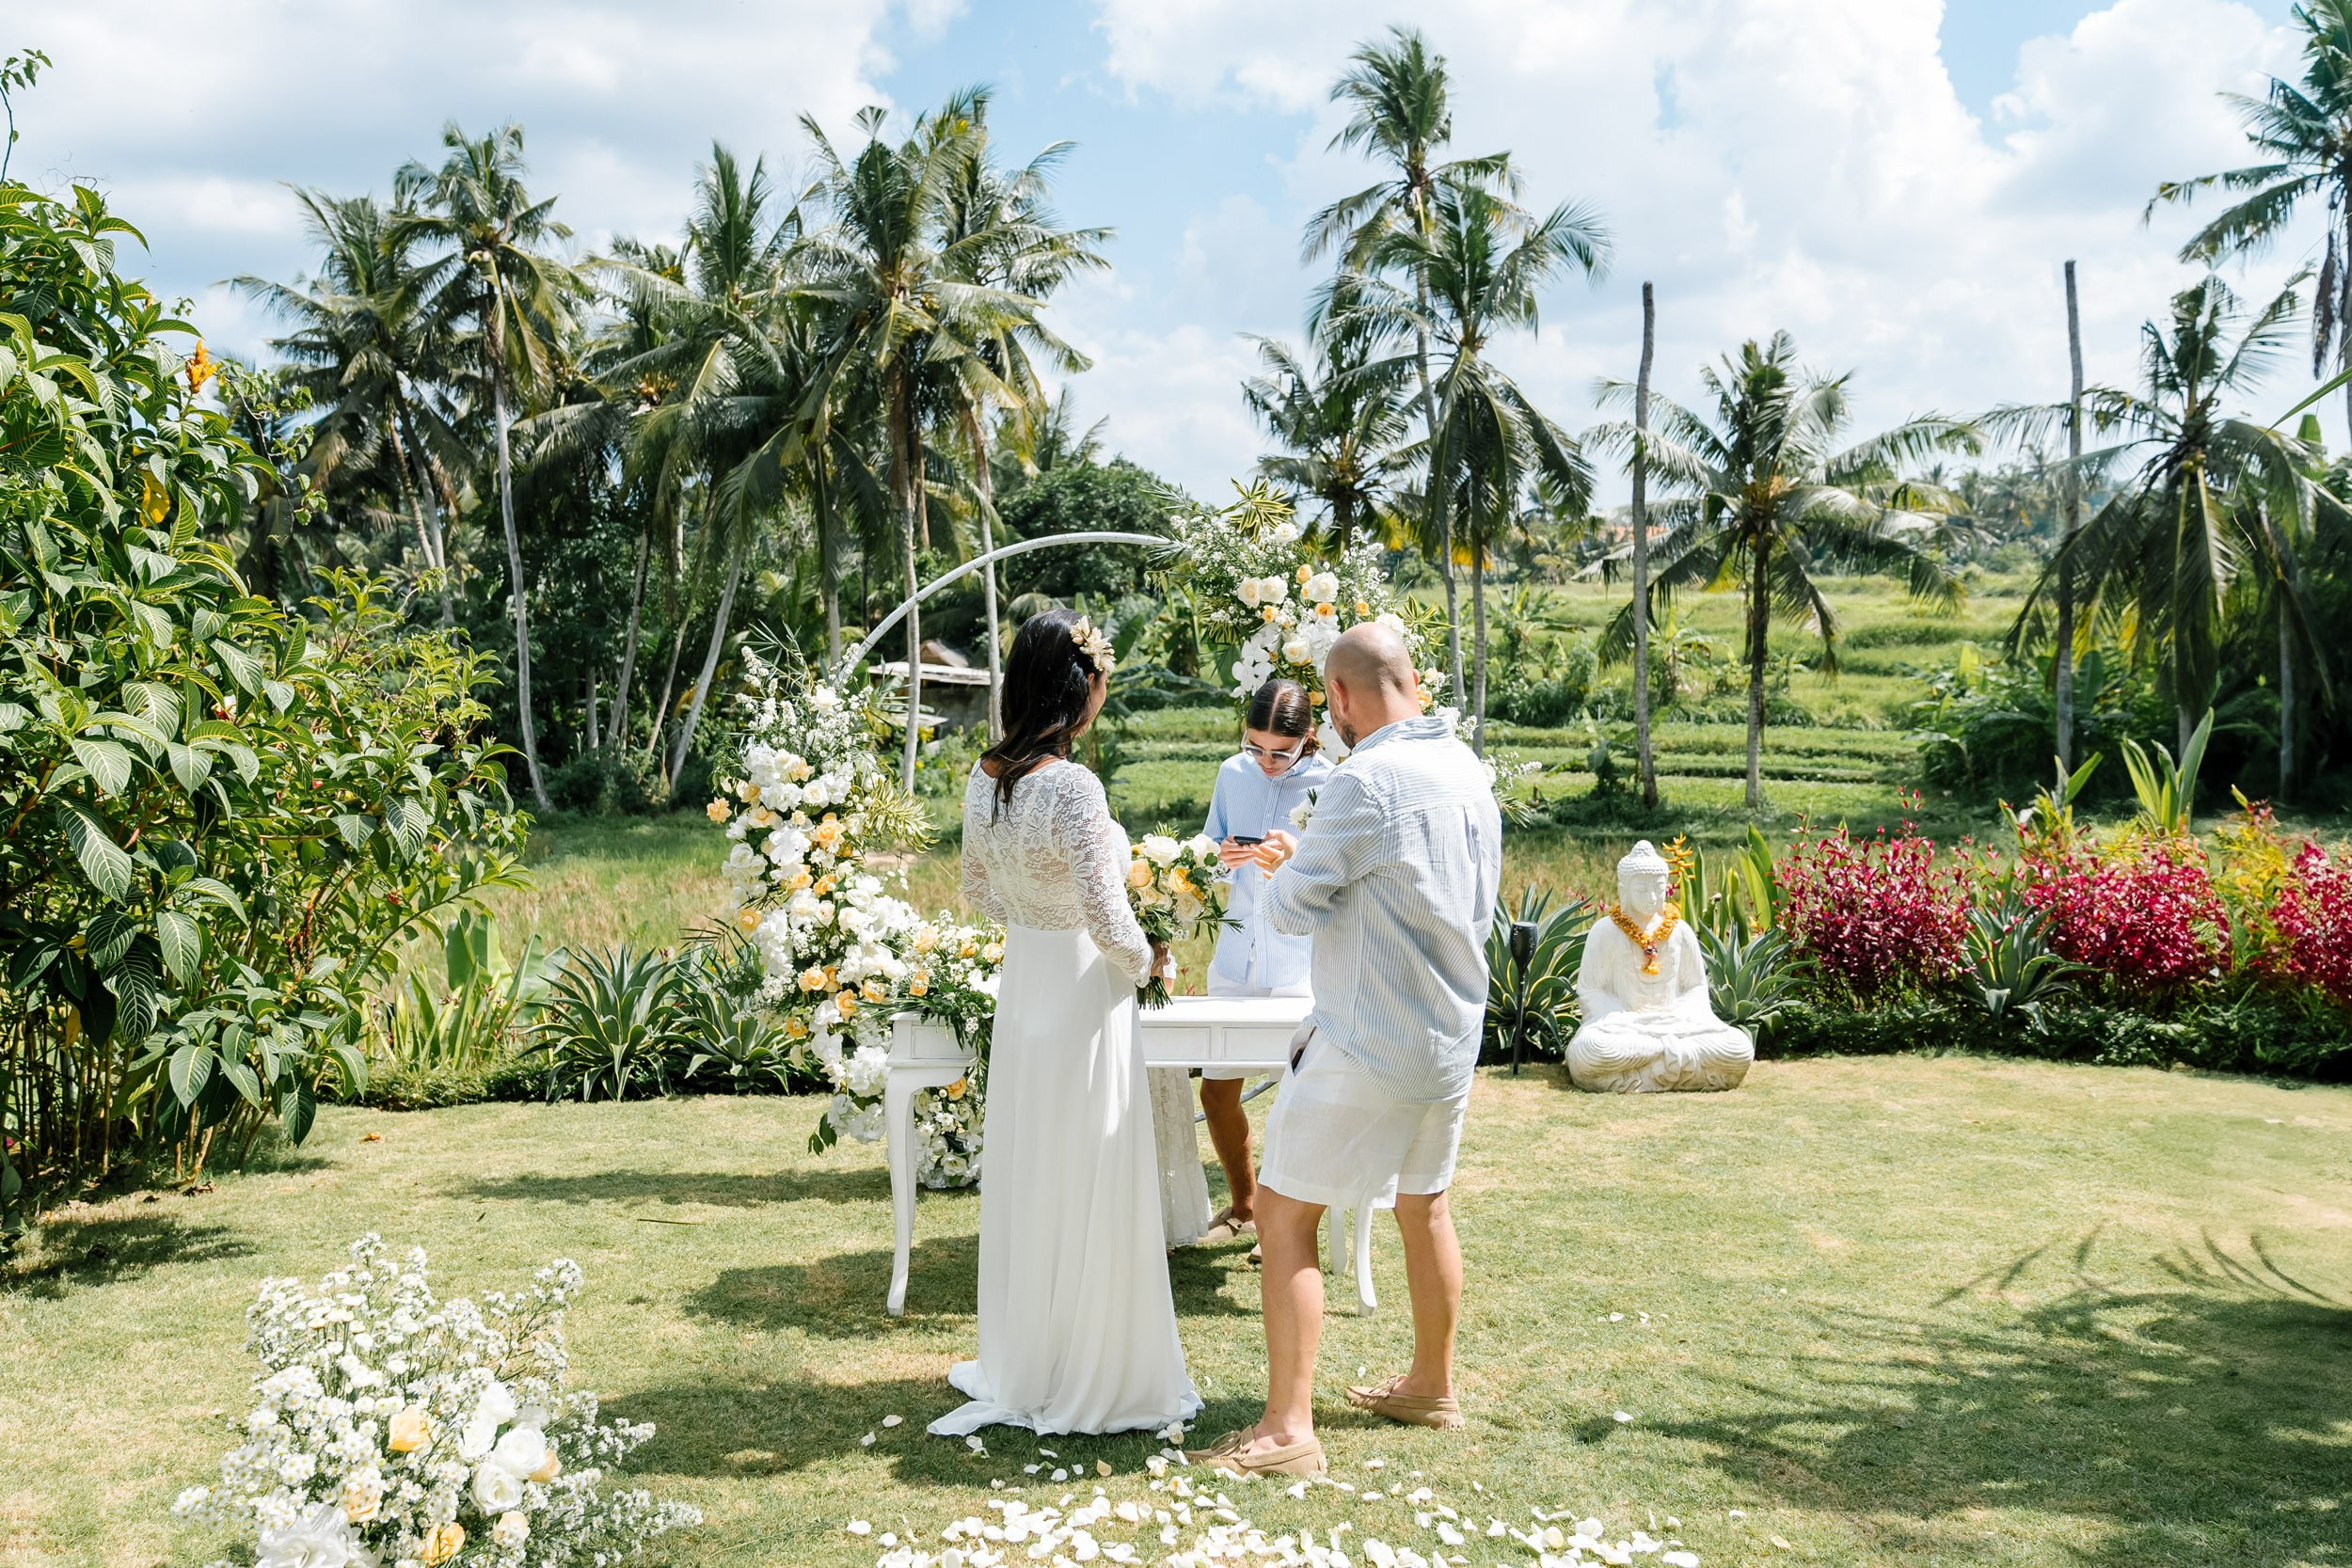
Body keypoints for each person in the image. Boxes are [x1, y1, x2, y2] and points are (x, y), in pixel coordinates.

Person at [1185, 622, 1501, 1478]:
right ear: (1411, 681)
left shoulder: (1366, 779)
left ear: (1341, 699)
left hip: (1367, 1033)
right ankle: (1431, 1384)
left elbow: (1290, 910)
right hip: (1449, 1032)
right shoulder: (1467, 768)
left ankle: (1288, 1428)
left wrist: (1284, 859)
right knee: (1423, 1204)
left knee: (1285, 1214)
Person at [930, 609, 1201, 1438]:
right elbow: (1110, 915)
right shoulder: (1075, 787)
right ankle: (1093, 1367)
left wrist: (1036, 916)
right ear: (1080, 690)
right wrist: (1149, 957)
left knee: (1035, 1168)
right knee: (1091, 1166)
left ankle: (1030, 1355)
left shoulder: (985, 778)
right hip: (1083, 994)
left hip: (1027, 985)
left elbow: (978, 892)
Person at [1150, 679, 1332, 1252]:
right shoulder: (1233, 773)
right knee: (1217, 1093)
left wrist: (1293, 859)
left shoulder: (1332, 785)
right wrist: (1221, 858)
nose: (1269, 762)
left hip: (1299, 963)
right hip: (1235, 960)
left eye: (1282, 751)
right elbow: (1206, 852)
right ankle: (1246, 1206)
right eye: (1257, 747)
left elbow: (1336, 875)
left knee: (1300, 1098)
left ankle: (1290, 1223)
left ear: (1310, 738)